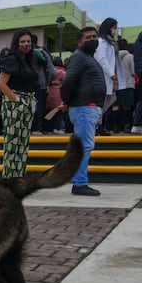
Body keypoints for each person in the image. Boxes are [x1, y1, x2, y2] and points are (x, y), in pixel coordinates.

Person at [60, 27, 104, 196]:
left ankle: (79, 181)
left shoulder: (87, 58)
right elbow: (68, 81)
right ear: (80, 41)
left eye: (94, 36)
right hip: (84, 107)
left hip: (87, 107)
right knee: (84, 147)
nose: (92, 40)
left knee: (85, 146)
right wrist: (66, 100)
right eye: (88, 37)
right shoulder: (79, 57)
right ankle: (79, 183)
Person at [0, 29, 40, 177]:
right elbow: (1, 84)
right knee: (12, 143)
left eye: (28, 41)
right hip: (14, 101)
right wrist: (17, 100)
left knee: (23, 142)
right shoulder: (11, 59)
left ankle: (19, 176)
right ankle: (9, 177)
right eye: (23, 42)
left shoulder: (31, 60)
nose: (26, 44)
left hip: (28, 100)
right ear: (16, 43)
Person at [94, 17, 127, 136]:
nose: (115, 30)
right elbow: (102, 59)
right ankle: (98, 125)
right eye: (114, 28)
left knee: (109, 100)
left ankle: (98, 123)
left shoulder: (110, 43)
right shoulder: (102, 42)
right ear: (108, 28)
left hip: (110, 77)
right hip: (105, 77)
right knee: (102, 102)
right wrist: (111, 73)